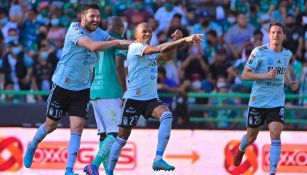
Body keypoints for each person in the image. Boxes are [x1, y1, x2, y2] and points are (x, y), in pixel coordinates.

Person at [23, 4, 129, 175]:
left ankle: (68, 170)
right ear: (82, 17)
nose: (95, 19)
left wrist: (141, 45)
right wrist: (118, 41)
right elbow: (93, 46)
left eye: (97, 16)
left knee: (77, 128)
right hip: (62, 86)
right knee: (51, 125)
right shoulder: (74, 30)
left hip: (82, 89)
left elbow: (119, 45)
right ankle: (33, 144)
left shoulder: (101, 33)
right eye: (92, 16)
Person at [106, 23, 203, 175]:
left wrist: (175, 43)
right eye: (144, 31)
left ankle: (158, 158)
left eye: (150, 31)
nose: (148, 34)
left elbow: (166, 55)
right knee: (122, 138)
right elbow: (160, 49)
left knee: (167, 115)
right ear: (136, 35)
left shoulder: (150, 50)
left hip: (150, 99)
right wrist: (185, 40)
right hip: (133, 99)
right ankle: (109, 171)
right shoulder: (135, 47)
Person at [233, 22, 299, 175]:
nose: (276, 35)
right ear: (269, 35)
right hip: (258, 102)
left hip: (276, 102)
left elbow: (285, 69)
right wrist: (265, 75)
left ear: (284, 36)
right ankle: (241, 149)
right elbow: (245, 74)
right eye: (273, 32)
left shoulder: (287, 53)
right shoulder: (258, 52)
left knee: (276, 132)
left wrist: (289, 82)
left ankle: (272, 171)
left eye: (279, 32)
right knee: (251, 137)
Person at [83, 16, 127, 175]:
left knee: (104, 136)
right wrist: (124, 90)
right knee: (116, 133)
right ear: (120, 27)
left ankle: (108, 172)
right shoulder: (119, 40)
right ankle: (94, 165)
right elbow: (119, 65)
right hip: (111, 90)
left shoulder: (97, 39)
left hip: (94, 91)